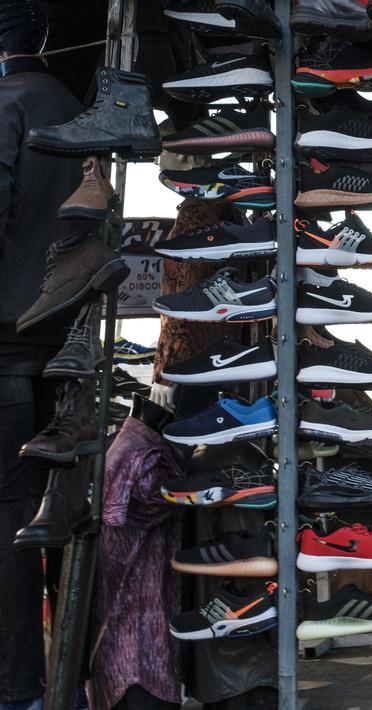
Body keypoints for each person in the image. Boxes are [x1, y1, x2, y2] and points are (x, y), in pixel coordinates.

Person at [0, 2, 85, 708]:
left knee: (10, 514)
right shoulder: (69, 104)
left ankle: (19, 684)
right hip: (63, 338)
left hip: (5, 338)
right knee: (59, 511)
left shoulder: (9, 105)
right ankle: (68, 677)